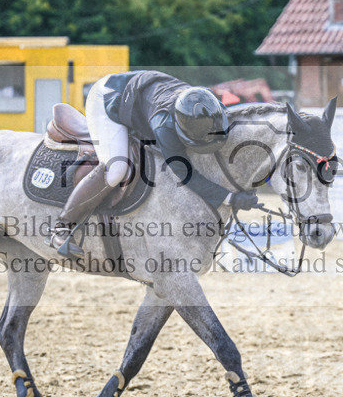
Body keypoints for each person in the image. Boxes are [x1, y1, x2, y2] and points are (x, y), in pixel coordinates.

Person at [50, 71, 260, 259]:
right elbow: (184, 173)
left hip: (142, 92)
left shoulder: (211, 106)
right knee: (116, 169)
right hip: (107, 97)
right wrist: (229, 197)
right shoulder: (163, 126)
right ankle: (62, 226)